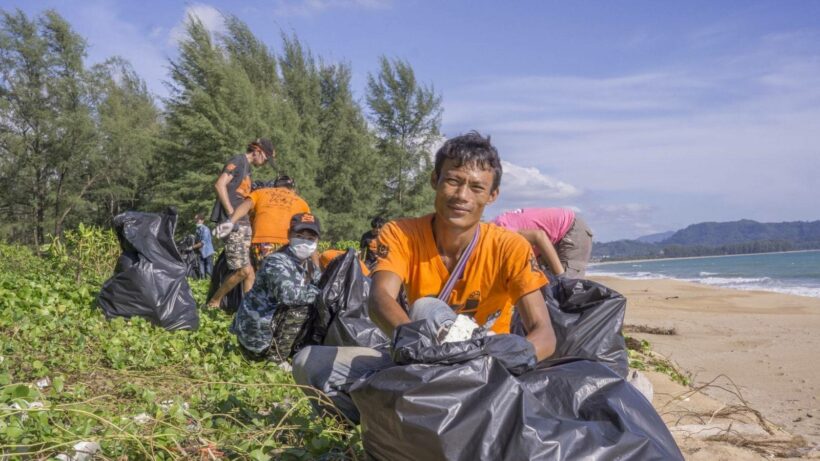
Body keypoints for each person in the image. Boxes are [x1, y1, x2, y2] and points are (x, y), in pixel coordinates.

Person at [292, 131, 557, 423]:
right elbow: (380, 299)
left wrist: (512, 353)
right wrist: (411, 341)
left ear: (492, 195)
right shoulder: (400, 233)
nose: (461, 196)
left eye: (476, 187)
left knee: (425, 309)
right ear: (435, 180)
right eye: (453, 181)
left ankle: (435, 416)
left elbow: (544, 334)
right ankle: (384, 432)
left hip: (482, 371)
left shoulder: (510, 246)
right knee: (309, 363)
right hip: (419, 360)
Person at [232, 213, 322, 361]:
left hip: (274, 325)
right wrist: (321, 293)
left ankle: (293, 350)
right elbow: (288, 296)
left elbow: (321, 283)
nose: (305, 242)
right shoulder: (276, 261)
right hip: (257, 334)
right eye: (299, 236)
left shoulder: (309, 265)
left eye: (310, 239)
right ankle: (275, 359)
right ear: (288, 235)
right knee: (301, 306)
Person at [206, 138, 275, 308]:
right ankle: (214, 302)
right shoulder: (238, 161)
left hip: (242, 223)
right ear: (257, 151)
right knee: (243, 271)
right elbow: (220, 184)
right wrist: (231, 215)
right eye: (266, 159)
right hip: (234, 222)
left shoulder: (247, 169)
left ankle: (247, 312)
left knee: (249, 273)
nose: (266, 163)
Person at [218, 175, 311, 271]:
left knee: (262, 275)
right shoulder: (301, 202)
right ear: (293, 189)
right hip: (287, 244)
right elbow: (308, 227)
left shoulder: (260, 193)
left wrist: (231, 221)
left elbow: (246, 205)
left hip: (262, 241)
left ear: (274, 186)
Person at [492, 208, 594, 278]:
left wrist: (561, 277)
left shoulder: (498, 232)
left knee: (567, 288)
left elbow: (539, 236)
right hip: (545, 244)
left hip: (570, 228)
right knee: (543, 288)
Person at [191, 214, 215, 278]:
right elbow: (196, 241)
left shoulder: (205, 229)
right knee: (201, 271)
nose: (196, 221)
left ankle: (209, 284)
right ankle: (202, 282)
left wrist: (192, 247)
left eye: (197, 220)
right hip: (200, 252)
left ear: (202, 221)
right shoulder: (197, 229)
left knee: (209, 270)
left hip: (207, 253)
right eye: (195, 220)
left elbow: (202, 243)